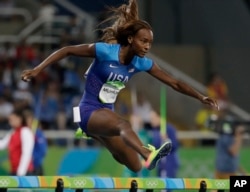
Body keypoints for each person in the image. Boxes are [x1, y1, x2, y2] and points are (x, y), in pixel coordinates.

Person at [21, 0, 218, 172]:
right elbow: (67, 50)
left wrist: (200, 96)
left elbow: (174, 82)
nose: (147, 47)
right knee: (124, 125)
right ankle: (147, 152)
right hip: (89, 111)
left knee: (133, 165)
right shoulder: (105, 51)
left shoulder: (141, 63)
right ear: (131, 39)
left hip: (106, 116)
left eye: (150, 42)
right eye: (143, 41)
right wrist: (37, 69)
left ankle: (103, 139)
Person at [0, 109, 34, 175]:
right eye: (9, 120)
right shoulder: (13, 132)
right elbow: (2, 144)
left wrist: (21, 172)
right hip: (14, 170)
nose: (10, 122)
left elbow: (26, 153)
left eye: (12, 120)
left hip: (24, 172)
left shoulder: (25, 131)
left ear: (19, 119)